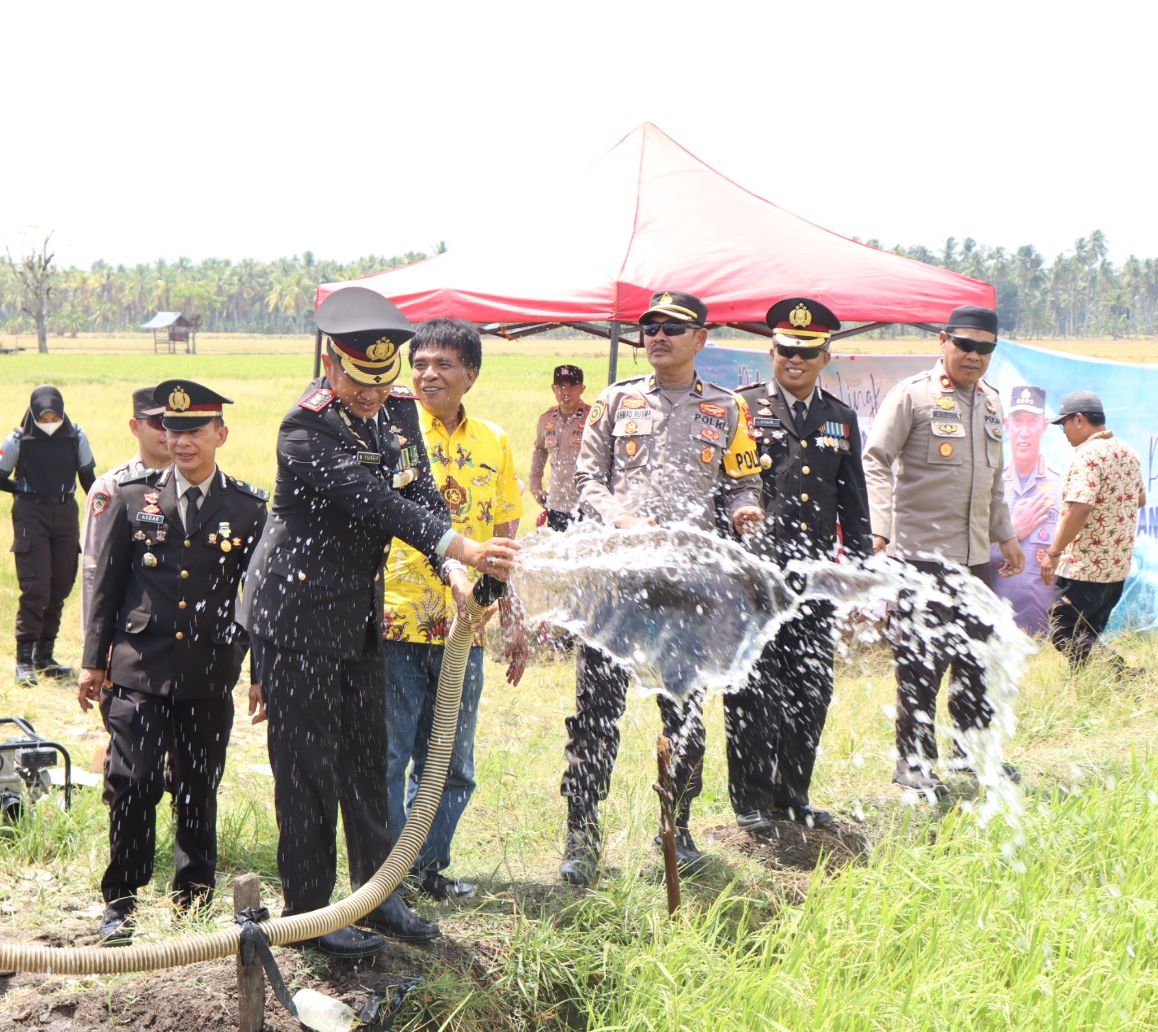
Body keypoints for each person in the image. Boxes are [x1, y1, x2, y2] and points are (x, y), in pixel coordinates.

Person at [238, 287, 518, 960]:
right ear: (331, 364)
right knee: (308, 772)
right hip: (296, 620)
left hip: (359, 616)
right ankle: (310, 914)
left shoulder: (395, 410)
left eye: (384, 378)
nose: (374, 393)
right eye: (360, 380)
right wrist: (461, 548)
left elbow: (413, 486)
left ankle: (378, 895)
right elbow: (374, 504)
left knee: (366, 763)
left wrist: (449, 564)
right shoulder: (304, 428)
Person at [560, 289, 763, 886]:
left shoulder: (728, 410)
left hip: (687, 590)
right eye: (650, 326)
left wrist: (747, 511)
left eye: (673, 327)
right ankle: (582, 833)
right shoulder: (614, 400)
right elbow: (586, 479)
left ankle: (677, 826)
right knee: (597, 711)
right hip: (614, 583)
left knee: (686, 713)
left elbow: (743, 483)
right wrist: (621, 517)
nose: (657, 335)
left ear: (701, 339)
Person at [77, 380, 268, 945]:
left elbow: (256, 599)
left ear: (220, 435)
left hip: (209, 670)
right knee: (131, 782)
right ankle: (122, 901)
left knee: (198, 785)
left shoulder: (248, 506)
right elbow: (105, 582)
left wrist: (260, 674)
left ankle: (194, 900)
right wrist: (94, 662)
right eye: (173, 430)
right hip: (139, 666)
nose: (181, 442)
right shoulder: (133, 496)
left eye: (194, 432)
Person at [382, 318, 527, 903]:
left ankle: (425, 870)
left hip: (467, 629)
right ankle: (380, 878)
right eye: (419, 363)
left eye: (442, 364)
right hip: (396, 618)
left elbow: (506, 532)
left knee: (451, 761)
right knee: (389, 758)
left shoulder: (493, 439)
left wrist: (513, 619)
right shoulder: (387, 432)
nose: (427, 374)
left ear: (471, 373)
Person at [863, 305, 1024, 799]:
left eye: (985, 348)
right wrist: (880, 531)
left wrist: (1006, 536)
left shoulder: (993, 404)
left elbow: (994, 483)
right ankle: (912, 761)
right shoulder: (913, 396)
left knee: (976, 658)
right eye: (965, 345)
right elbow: (875, 461)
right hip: (921, 558)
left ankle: (969, 752)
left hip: (975, 560)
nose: (974, 356)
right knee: (921, 661)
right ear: (943, 341)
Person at [727, 298, 872, 831]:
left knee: (810, 688)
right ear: (772, 350)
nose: (795, 361)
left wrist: (857, 579)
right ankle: (749, 799)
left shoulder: (841, 418)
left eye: (806, 353)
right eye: (787, 350)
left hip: (814, 581)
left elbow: (855, 506)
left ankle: (793, 795)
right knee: (753, 688)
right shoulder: (741, 409)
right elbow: (727, 491)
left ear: (825, 356)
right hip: (755, 580)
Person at [1040, 390, 1145, 668]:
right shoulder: (1127, 451)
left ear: (1079, 419)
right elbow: (1141, 499)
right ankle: (1083, 693)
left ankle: (1127, 676)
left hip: (1083, 569)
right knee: (1087, 636)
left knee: (1064, 632)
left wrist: (1053, 553)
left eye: (1063, 423)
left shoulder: (1087, 455)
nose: (1063, 431)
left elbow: (1079, 508)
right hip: (1116, 569)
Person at [0, 385, 96, 685]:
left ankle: (45, 657)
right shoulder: (18, 439)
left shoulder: (76, 436)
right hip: (32, 513)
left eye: (55, 416)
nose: (50, 421)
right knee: (36, 587)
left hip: (66, 513)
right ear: (33, 413)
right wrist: (23, 490)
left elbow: (88, 478)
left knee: (61, 584)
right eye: (45, 416)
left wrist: (103, 512)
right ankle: (24, 661)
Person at [81, 387, 171, 629]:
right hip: (131, 631)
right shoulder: (111, 487)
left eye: (174, 422)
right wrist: (94, 644)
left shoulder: (197, 484)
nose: (168, 432)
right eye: (158, 422)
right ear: (135, 427)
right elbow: (94, 569)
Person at [989, 385, 1062, 636]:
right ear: (1007, 425)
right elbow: (971, 551)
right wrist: (1012, 533)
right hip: (996, 620)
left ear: (1043, 426)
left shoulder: (1062, 485)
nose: (1024, 431)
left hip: (1044, 621)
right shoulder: (990, 485)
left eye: (1031, 422)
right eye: (1018, 421)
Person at [529, 364, 589, 530]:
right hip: (557, 502)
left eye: (572, 386)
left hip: (586, 503)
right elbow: (540, 450)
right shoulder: (546, 420)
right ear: (553, 388)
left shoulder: (593, 419)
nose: (566, 392)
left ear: (582, 389)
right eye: (561, 386)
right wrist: (535, 486)